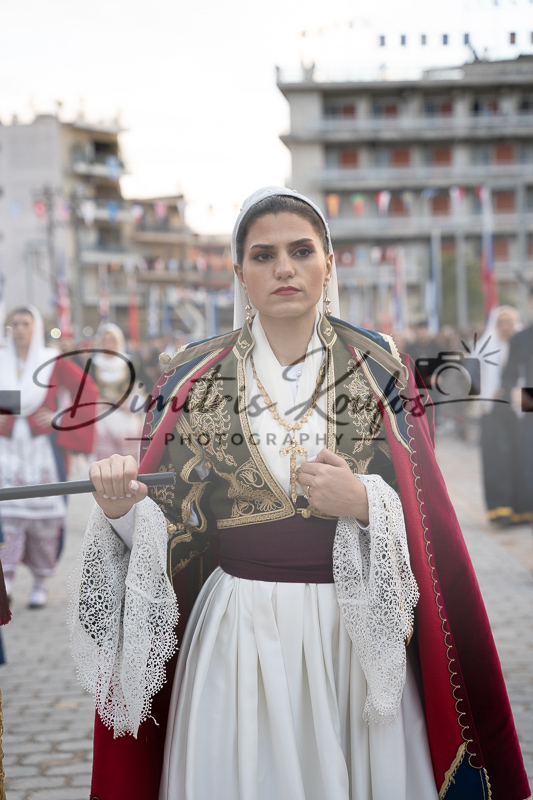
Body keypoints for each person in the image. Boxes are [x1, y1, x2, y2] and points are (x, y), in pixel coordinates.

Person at [70, 188, 531, 800]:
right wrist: (120, 511)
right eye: (263, 256)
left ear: (328, 263)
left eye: (301, 251)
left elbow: (429, 519)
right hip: (239, 636)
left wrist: (364, 502)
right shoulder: (193, 379)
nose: (283, 268)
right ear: (239, 273)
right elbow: (173, 529)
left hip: (354, 636)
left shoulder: (379, 368)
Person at [0, 305, 97, 608]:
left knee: (44, 521)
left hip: (42, 449)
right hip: (7, 449)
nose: (19, 329)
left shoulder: (50, 360)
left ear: (35, 327)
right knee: (7, 515)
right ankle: (6, 578)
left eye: (25, 323)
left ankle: (40, 583)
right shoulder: (2, 360)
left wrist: (60, 418)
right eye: (14, 323)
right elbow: (7, 403)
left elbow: (87, 390)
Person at [478, 306, 530, 526]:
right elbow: (474, 379)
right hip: (493, 413)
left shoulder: (524, 344)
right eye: (501, 323)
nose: (506, 327)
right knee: (498, 459)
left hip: (521, 411)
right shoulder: (484, 349)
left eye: (510, 322)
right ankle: (500, 510)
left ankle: (523, 509)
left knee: (522, 458)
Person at [502, 287, 533, 531]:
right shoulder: (521, 339)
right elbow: (509, 375)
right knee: (527, 460)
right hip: (529, 408)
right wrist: (514, 390)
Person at [91, 323, 143, 462]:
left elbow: (145, 388)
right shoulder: (93, 365)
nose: (108, 344)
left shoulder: (131, 363)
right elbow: (86, 391)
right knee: (106, 462)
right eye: (105, 340)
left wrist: (132, 404)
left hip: (127, 418)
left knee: (129, 461)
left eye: (112, 340)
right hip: (103, 419)